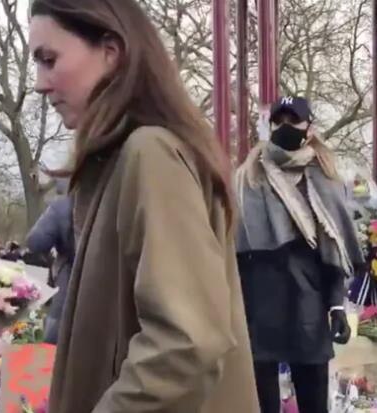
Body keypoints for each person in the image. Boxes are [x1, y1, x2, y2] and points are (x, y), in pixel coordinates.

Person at [29, 1, 259, 412]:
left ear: (111, 52)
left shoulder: (150, 154)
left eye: (49, 59)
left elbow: (186, 342)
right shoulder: (121, 162)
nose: (40, 83)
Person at [235, 96, 364, 413]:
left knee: (313, 403)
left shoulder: (325, 180)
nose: (284, 127)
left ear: (310, 127)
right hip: (258, 310)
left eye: (293, 121)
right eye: (278, 121)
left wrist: (336, 305)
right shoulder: (245, 179)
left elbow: (333, 252)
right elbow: (233, 250)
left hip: (307, 305)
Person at [26, 179, 74, 344]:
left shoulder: (63, 205)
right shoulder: (121, 197)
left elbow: (35, 242)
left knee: (54, 343)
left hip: (69, 284)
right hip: (115, 290)